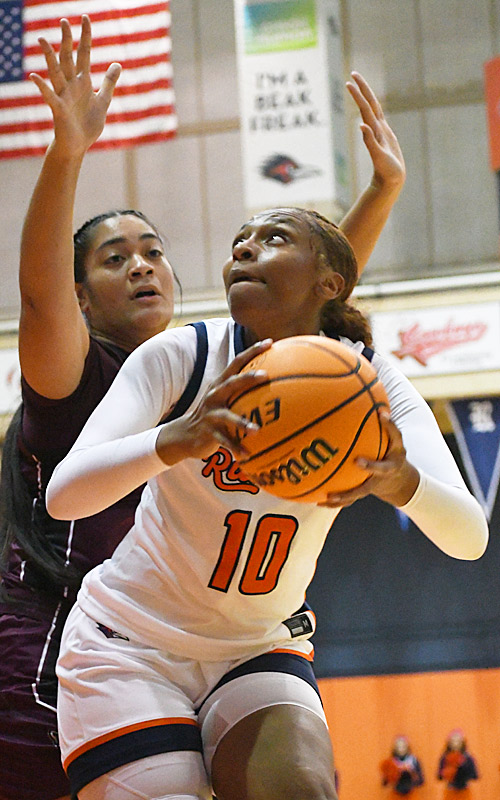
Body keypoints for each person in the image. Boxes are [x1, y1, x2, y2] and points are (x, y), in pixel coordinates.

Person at [0, 16, 407, 800]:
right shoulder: (74, 375)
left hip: (199, 630)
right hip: (59, 644)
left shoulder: (216, 359)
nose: (143, 266)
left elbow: (309, 305)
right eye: (115, 260)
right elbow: (37, 294)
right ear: (82, 297)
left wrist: (381, 191)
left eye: (153, 251)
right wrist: (67, 150)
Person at [46, 204, 488, 800]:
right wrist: (174, 439)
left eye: (272, 239)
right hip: (130, 643)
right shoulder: (183, 357)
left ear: (329, 281)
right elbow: (65, 495)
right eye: (238, 242)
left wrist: (401, 484)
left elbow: (469, 539)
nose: (244, 251)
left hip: (257, 643)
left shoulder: (372, 384)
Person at [437, 729, 478, 795]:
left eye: (458, 741)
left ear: (463, 742)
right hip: (449, 791)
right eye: (453, 741)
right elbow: (439, 776)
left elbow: (475, 775)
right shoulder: (445, 758)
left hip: (465, 791)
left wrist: (462, 766)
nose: (456, 743)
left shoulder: (468, 758)